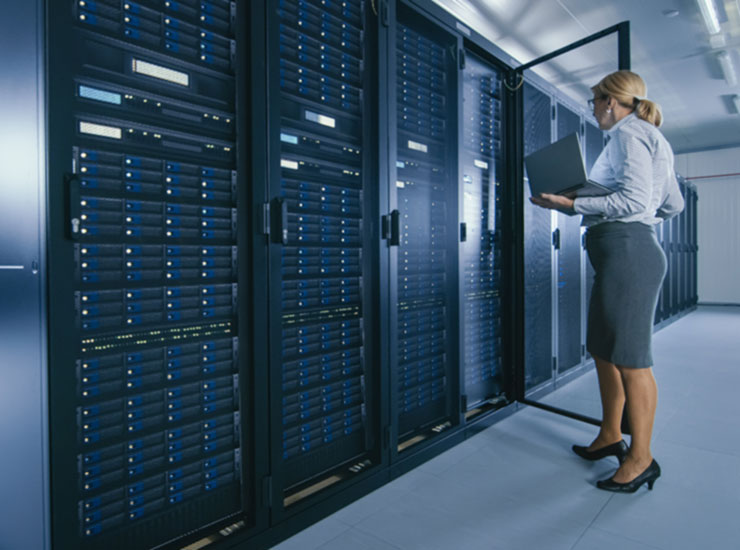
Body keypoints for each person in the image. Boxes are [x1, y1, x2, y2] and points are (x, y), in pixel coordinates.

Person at [530, 70, 684, 493]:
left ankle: (641, 458)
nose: (593, 108)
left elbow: (635, 201)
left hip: (628, 254)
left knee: (632, 360)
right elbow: (672, 203)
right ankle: (610, 435)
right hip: (625, 249)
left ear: (611, 101)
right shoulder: (650, 136)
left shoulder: (628, 135)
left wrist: (577, 203)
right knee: (604, 350)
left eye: (594, 101)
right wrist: (585, 207)